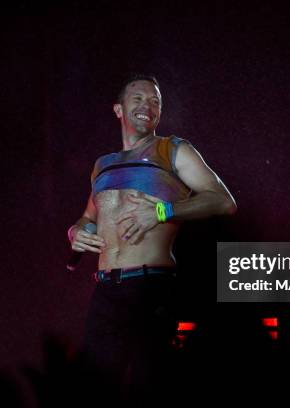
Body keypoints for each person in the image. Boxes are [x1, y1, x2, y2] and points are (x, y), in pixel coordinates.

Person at [68, 74, 237, 399]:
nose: (148, 105)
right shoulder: (102, 165)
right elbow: (89, 217)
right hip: (105, 290)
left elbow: (224, 201)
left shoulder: (172, 149)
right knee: (94, 391)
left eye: (155, 100)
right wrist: (75, 231)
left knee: (151, 388)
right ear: (118, 109)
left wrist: (163, 212)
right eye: (139, 98)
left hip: (150, 288)